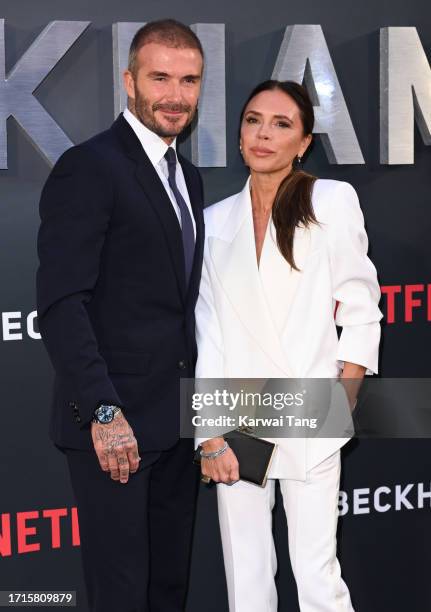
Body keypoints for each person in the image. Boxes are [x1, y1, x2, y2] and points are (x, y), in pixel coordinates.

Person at [195, 80, 383, 611]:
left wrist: (341, 400)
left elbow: (362, 307)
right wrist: (209, 434)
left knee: (317, 573)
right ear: (238, 136)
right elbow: (209, 333)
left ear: (303, 142)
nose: (263, 134)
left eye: (282, 124)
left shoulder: (330, 200)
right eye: (253, 120)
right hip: (239, 415)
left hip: (310, 409)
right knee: (247, 576)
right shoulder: (213, 223)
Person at [36, 19, 205, 612]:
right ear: (129, 80)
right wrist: (105, 412)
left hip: (175, 424)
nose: (175, 95)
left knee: (167, 591)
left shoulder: (187, 175)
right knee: (122, 596)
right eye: (160, 77)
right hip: (117, 430)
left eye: (189, 80)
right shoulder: (91, 166)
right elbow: (61, 304)